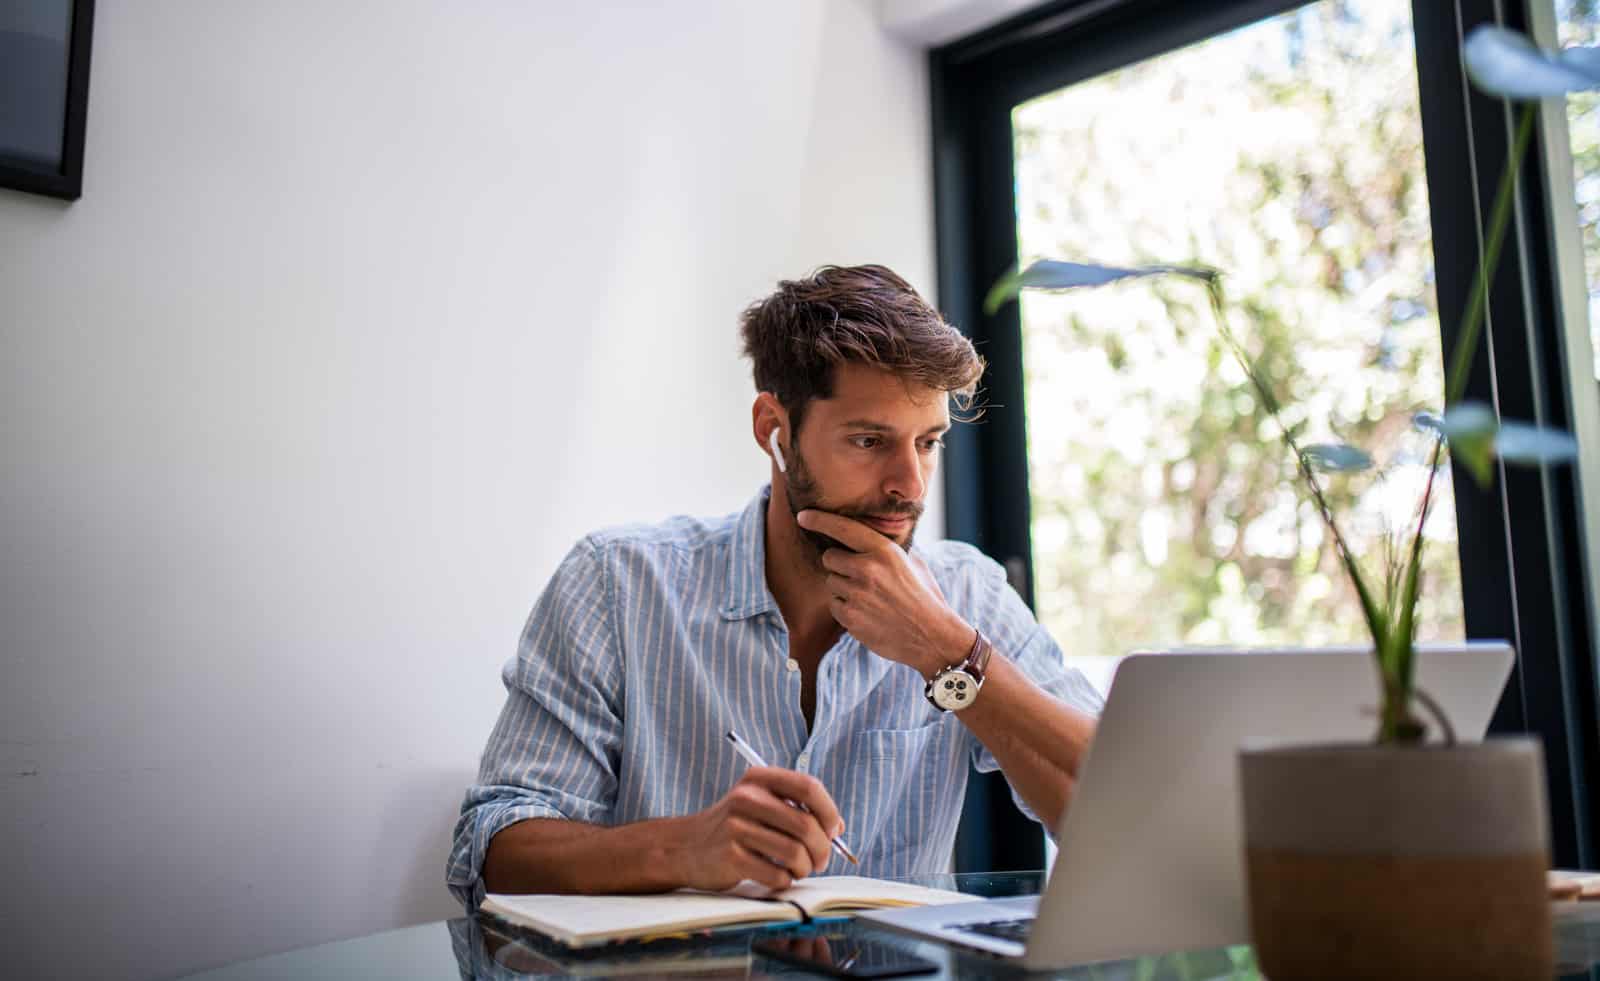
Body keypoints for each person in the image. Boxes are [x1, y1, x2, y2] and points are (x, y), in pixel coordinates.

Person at [447, 265, 1102, 909]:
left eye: (927, 442)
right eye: (870, 440)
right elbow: (492, 849)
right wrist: (684, 849)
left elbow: (1115, 808)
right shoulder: (617, 584)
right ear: (774, 429)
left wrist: (949, 652)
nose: (911, 483)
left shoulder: (968, 597)